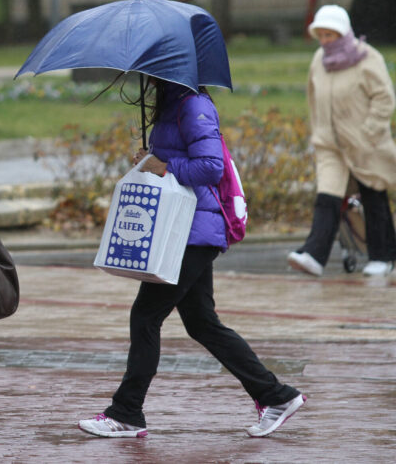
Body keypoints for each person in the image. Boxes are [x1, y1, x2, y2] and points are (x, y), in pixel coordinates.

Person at [78, 79, 305, 439]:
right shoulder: (174, 102)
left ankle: (126, 412)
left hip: (192, 229)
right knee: (201, 322)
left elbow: (211, 167)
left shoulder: (194, 105)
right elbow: (175, 159)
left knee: (146, 316)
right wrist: (151, 161)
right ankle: (275, 396)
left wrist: (164, 166)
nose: (148, 75)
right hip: (186, 226)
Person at [287, 4, 396, 277]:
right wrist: (319, 131)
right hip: (330, 145)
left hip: (366, 144)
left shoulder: (367, 58)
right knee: (327, 197)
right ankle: (314, 256)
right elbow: (313, 97)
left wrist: (370, 132)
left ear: (343, 33)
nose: (324, 41)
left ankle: (383, 256)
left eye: (330, 35)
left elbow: (384, 98)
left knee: (374, 195)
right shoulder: (318, 61)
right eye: (320, 35)